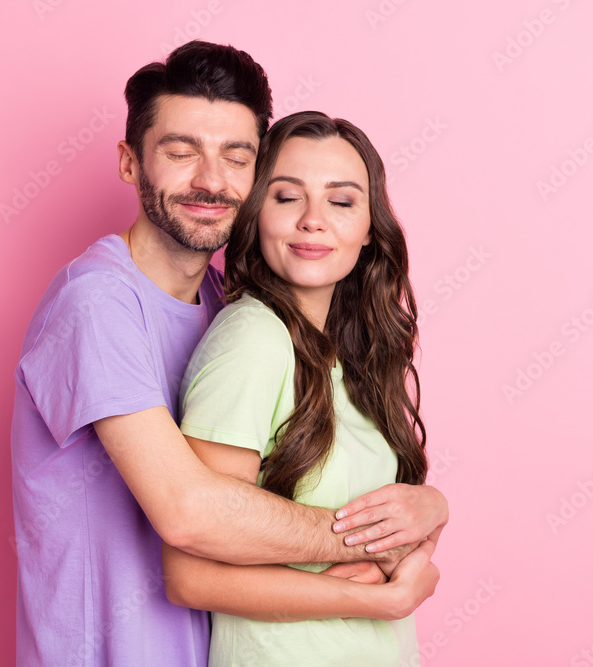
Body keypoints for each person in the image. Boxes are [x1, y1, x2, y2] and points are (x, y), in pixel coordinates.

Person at [10, 42, 443, 666]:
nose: (211, 180)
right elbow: (189, 514)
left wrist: (428, 508)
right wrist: (375, 545)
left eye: (236, 157)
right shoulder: (96, 305)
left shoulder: (223, 302)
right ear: (131, 163)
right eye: (181, 153)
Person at [163, 111, 447, 666]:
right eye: (287, 197)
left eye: (341, 202)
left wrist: (432, 508)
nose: (313, 221)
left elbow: (381, 519)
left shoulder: (354, 354)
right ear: (254, 215)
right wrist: (378, 597)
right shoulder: (253, 339)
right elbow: (191, 575)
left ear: (369, 229)